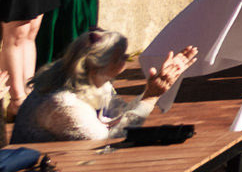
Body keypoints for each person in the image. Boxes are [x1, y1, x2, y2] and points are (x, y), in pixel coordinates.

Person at [11, 29, 197, 144]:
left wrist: (151, 92)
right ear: (94, 66)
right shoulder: (63, 103)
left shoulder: (95, 82)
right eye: (120, 58)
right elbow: (110, 139)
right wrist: (150, 97)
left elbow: (118, 117)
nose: (126, 60)